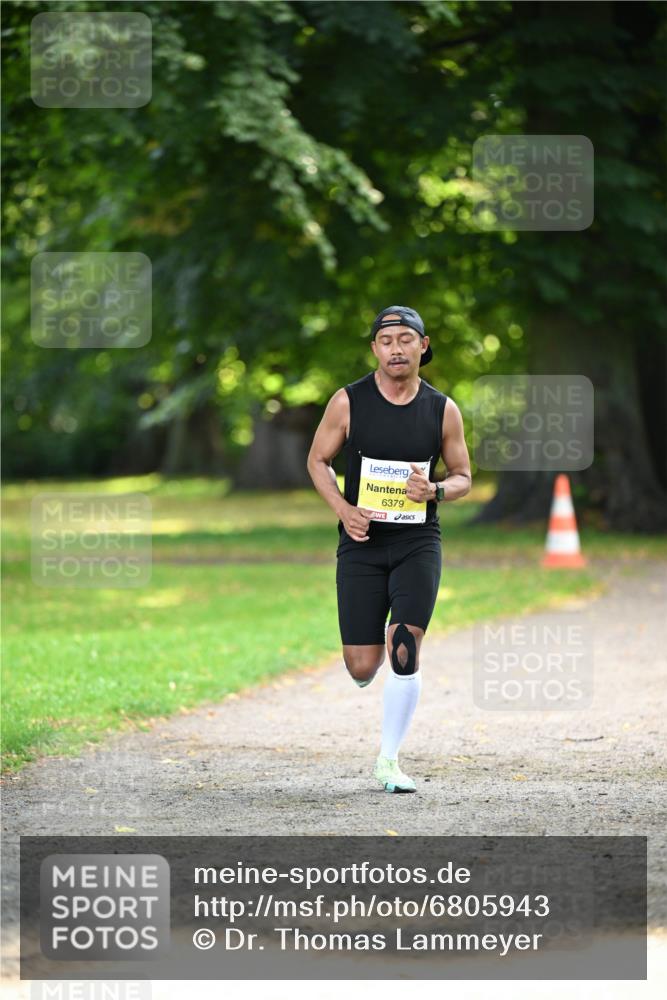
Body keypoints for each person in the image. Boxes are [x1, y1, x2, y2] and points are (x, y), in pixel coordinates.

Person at [306, 305, 472, 793]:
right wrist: (342, 508)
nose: (395, 348)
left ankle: (389, 760)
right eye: (386, 340)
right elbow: (318, 460)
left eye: (405, 339)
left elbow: (464, 477)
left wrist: (437, 491)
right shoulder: (348, 402)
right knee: (362, 664)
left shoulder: (443, 409)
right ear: (375, 348)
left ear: (423, 346)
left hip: (418, 541)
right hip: (361, 542)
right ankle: (368, 665)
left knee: (404, 645)